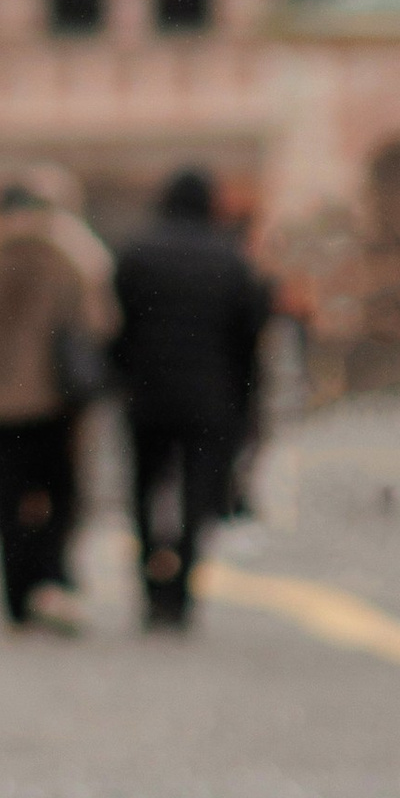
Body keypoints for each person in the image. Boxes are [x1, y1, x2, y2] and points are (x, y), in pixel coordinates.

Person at [111, 169, 271, 631]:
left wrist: (123, 378)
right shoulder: (231, 260)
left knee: (144, 490)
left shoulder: (137, 254)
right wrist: (247, 407)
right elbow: (248, 341)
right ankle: (181, 585)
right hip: (210, 399)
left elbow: (120, 331)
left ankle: (150, 585)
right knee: (198, 495)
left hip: (148, 396)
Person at [0, 178, 111, 631]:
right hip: (57, 399)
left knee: (8, 498)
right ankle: (53, 579)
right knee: (59, 495)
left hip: (1, 398)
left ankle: (15, 596)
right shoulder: (72, 249)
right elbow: (98, 319)